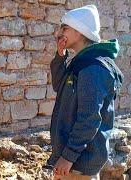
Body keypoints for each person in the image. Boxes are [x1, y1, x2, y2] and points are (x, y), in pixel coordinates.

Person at [47, 5, 124, 180]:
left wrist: (68, 156)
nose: (59, 33)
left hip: (78, 163)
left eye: (65, 28)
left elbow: (89, 118)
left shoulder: (93, 68)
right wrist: (60, 56)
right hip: (72, 161)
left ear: (80, 31)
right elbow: (59, 85)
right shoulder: (81, 62)